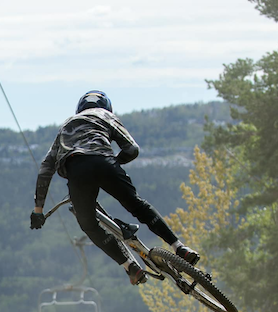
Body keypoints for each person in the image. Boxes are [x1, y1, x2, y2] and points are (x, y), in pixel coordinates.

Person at [30, 90, 200, 285]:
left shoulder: (67, 126)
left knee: (89, 225)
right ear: (107, 106)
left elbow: (45, 169)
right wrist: (114, 164)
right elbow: (132, 149)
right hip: (104, 161)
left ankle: (130, 267)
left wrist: (38, 211)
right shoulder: (106, 116)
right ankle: (180, 248)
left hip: (76, 171)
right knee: (137, 205)